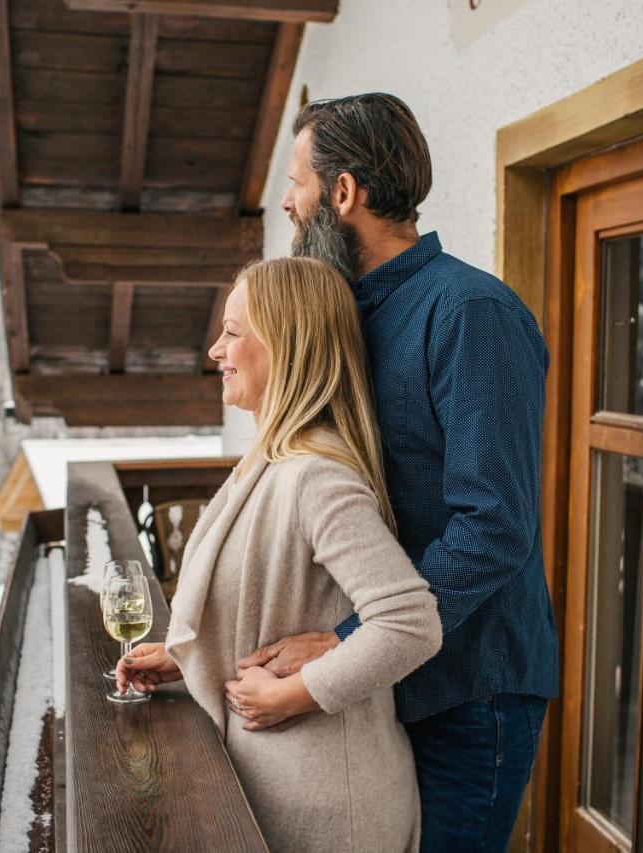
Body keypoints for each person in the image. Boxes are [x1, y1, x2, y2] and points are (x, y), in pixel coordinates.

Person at [235, 93, 559, 851]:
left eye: (298, 184)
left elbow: (493, 524)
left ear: (344, 193)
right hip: (393, 679)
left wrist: (349, 639)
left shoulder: (471, 312)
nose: (286, 203)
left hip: (472, 690)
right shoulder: (350, 318)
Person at [116, 256, 442, 853]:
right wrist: (190, 657)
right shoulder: (268, 462)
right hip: (276, 790)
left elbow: (410, 624)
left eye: (234, 332)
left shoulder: (316, 476)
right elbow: (267, 606)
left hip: (332, 810)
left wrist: (299, 691)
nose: (216, 349)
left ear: (286, 345)